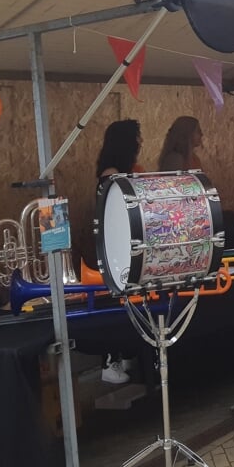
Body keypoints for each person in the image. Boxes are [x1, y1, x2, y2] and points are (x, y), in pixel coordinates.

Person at [93, 119, 142, 384]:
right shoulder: (110, 175)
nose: (139, 144)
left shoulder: (120, 170)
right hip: (114, 246)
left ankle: (124, 356)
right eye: (136, 138)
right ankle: (109, 363)